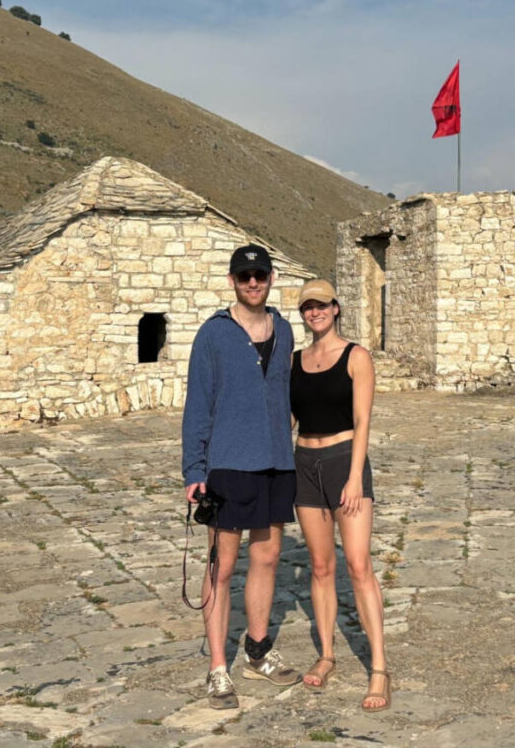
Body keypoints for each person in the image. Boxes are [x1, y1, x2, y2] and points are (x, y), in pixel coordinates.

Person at [182, 244, 301, 710]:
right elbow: (198, 403)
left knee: (267, 558)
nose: (253, 282)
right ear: (232, 281)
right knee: (222, 566)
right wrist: (195, 469)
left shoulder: (285, 330)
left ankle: (256, 650)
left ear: (271, 278)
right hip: (229, 465)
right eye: (244, 275)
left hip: (276, 462)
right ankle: (217, 667)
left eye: (260, 274)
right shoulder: (213, 334)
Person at [290, 278, 390, 712]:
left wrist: (353, 478)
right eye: (307, 307)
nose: (315, 312)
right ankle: (327, 654)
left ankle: (380, 669)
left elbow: (363, 420)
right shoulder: (295, 361)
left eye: (321, 305)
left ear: (336, 307)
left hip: (343, 461)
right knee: (320, 565)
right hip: (303, 466)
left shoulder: (356, 356)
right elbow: (288, 421)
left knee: (358, 564)